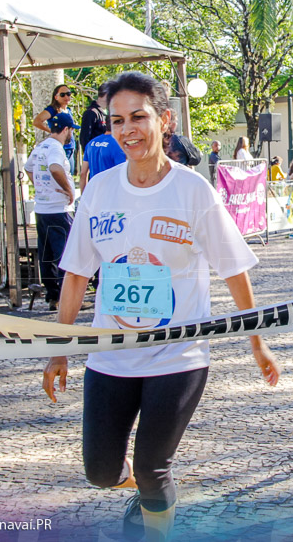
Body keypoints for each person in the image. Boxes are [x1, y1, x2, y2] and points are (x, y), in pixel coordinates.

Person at [42, 72, 279, 541]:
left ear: (164, 120)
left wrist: (258, 343)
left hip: (179, 355)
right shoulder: (100, 191)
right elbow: (75, 274)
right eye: (117, 120)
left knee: (154, 467)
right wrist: (59, 349)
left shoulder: (193, 192)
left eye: (139, 117)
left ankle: (155, 518)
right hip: (111, 355)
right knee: (101, 472)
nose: (128, 129)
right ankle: (145, 493)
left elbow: (234, 270)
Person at [27, 112, 78, 311]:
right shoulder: (56, 148)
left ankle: (53, 296)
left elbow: (28, 168)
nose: (72, 134)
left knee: (47, 254)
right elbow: (56, 168)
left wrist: (40, 187)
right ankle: (68, 298)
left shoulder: (41, 147)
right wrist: (67, 190)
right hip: (59, 208)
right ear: (66, 129)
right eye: (71, 130)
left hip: (43, 208)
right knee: (64, 253)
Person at [33, 85, 77, 163]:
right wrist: (51, 131)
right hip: (60, 146)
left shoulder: (68, 110)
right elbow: (37, 121)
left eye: (68, 94)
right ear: (56, 97)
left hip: (70, 146)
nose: (66, 97)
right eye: (62, 95)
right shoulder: (52, 110)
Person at [80, 123, 126, 192]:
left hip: (94, 193)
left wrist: (83, 197)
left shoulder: (91, 143)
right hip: (111, 194)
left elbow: (83, 173)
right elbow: (122, 173)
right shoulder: (118, 145)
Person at [79, 84, 109, 151]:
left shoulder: (109, 112)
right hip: (95, 153)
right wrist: (88, 157)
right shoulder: (91, 113)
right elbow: (84, 138)